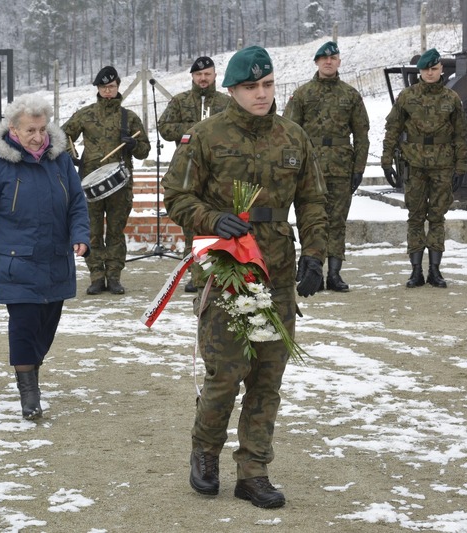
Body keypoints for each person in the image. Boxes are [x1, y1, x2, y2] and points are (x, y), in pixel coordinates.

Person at [162, 45, 327, 509]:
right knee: (226, 372)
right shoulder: (206, 136)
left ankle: (254, 470)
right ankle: (205, 452)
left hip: (277, 270)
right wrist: (211, 219)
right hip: (228, 269)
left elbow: (313, 200)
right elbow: (176, 196)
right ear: (232, 90)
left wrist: (316, 253)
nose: (261, 94)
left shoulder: (293, 136)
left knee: (268, 376)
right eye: (251, 87)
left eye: (268, 84)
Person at [0, 94, 90, 420]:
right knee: (23, 327)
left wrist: (80, 235)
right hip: (16, 261)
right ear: (13, 130)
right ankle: (29, 394)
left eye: (41, 128)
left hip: (55, 259)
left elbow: (77, 202)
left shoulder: (60, 158)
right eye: (30, 130)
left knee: (46, 327)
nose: (37, 137)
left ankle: (31, 369)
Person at [283, 41, 370, 292]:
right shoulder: (302, 94)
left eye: (332, 58)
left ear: (339, 61)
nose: (328, 62)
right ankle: (313, 272)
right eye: (323, 58)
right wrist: (292, 168)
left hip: (342, 168)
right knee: (310, 221)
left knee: (337, 222)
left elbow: (361, 134)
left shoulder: (350, 95)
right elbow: (290, 132)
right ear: (317, 62)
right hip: (310, 169)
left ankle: (334, 274)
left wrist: (358, 169)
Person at [381, 48, 467, 289]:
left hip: (442, 166)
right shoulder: (407, 97)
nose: (430, 73)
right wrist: (386, 160)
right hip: (415, 165)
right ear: (419, 71)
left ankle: (435, 271)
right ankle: (416, 271)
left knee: (438, 217)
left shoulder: (451, 99)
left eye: (434, 68)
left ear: (441, 69)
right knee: (416, 217)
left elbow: (461, 136)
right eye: (425, 69)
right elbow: (393, 130)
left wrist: (461, 168)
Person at [62, 66, 151, 295]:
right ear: (98, 89)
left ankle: (113, 277)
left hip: (120, 186)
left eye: (111, 87)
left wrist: (133, 145)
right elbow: (61, 135)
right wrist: (70, 154)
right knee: (92, 231)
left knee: (115, 231)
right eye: (103, 87)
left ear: (118, 86)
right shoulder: (86, 114)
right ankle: (96, 276)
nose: (108, 91)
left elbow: (144, 150)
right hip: (89, 182)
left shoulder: (128, 118)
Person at [158, 56, 230, 293]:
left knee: (219, 218)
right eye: (199, 75)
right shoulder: (180, 101)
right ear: (192, 76)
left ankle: (219, 270)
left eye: (207, 74)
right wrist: (194, 129)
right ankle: (195, 271)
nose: (203, 78)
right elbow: (164, 127)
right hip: (189, 169)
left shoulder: (225, 102)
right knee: (193, 221)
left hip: (220, 170)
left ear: (215, 76)